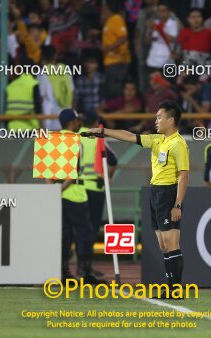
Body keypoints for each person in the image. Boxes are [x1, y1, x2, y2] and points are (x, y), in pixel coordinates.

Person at [88, 101, 189, 298]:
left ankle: (175, 290)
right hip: (155, 193)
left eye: (159, 117)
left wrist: (177, 204)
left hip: (168, 193)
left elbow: (183, 175)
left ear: (171, 120)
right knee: (163, 245)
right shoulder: (158, 140)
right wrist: (104, 131)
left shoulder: (178, 143)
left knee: (172, 243)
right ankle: (171, 288)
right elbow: (128, 136)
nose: (156, 120)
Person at [50, 108, 103, 284]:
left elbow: (47, 172)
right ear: (72, 123)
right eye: (76, 121)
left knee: (64, 233)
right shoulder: (75, 140)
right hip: (75, 194)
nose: (78, 123)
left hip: (58, 196)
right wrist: (63, 188)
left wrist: (54, 191)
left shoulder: (52, 139)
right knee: (85, 232)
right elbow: (73, 173)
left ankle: (63, 272)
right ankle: (86, 272)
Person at [78, 110, 118, 276]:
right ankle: (86, 268)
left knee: (78, 229)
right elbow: (113, 160)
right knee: (91, 229)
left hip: (77, 189)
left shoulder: (76, 136)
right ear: (96, 122)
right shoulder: (97, 137)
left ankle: (78, 267)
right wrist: (108, 177)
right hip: (95, 189)